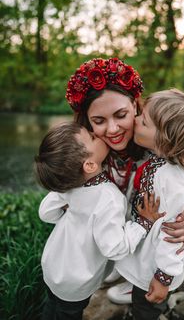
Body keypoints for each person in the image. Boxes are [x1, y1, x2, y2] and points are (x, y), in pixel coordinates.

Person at [65, 57, 184, 307]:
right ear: (87, 121)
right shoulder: (90, 148)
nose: (112, 129)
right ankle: (118, 265)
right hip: (118, 220)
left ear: (136, 106)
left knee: (148, 230)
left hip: (149, 227)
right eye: (99, 121)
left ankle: (139, 279)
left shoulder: (158, 141)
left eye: (121, 115)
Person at [35, 122, 163, 320]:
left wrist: (64, 194)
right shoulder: (109, 198)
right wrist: (142, 224)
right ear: (90, 165)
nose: (96, 133)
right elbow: (114, 248)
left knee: (51, 308)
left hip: (53, 266)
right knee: (68, 314)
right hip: (76, 281)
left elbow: (46, 213)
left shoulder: (70, 184)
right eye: (92, 138)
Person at [115, 89, 184, 320]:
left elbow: (173, 235)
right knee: (141, 300)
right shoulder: (161, 161)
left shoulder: (172, 180)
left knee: (146, 309)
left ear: (165, 140)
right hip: (147, 255)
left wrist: (163, 278)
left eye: (144, 121)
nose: (135, 120)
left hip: (155, 263)